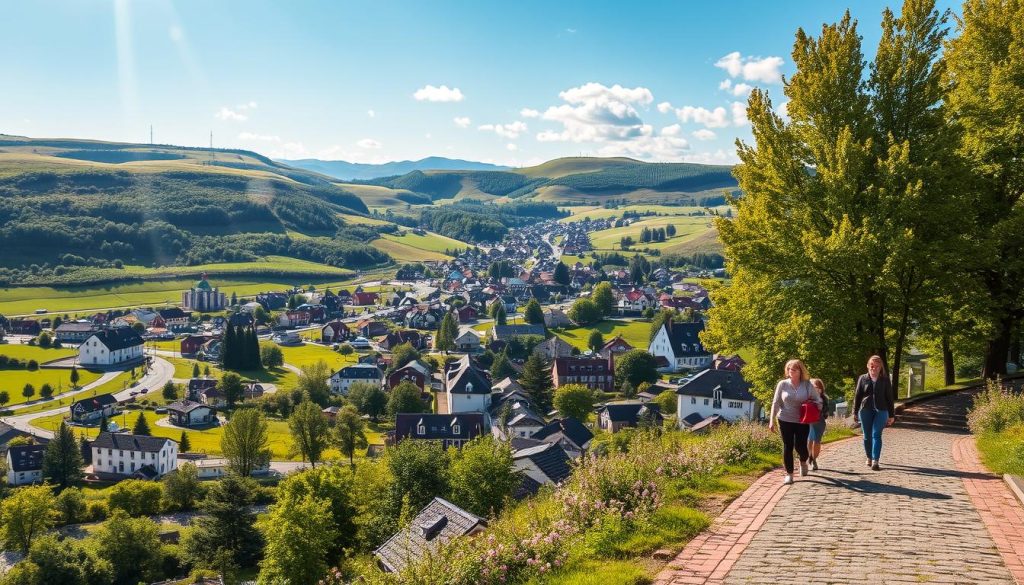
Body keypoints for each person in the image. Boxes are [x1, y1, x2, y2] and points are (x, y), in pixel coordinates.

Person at [769, 359, 823, 485]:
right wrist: (771, 420)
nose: (790, 371)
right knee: (788, 446)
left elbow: (818, 400)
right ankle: (789, 474)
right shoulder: (782, 384)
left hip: (802, 420)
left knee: (801, 446)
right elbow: (775, 402)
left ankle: (803, 460)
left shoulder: (807, 385)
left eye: (794, 369)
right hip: (784, 418)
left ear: (800, 371)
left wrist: (816, 408)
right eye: (789, 369)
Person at [853, 355, 895, 471]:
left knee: (876, 434)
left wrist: (891, 415)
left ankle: (876, 461)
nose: (874, 368)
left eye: (877, 366)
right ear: (868, 366)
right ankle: (869, 457)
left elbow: (889, 398)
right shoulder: (863, 378)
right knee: (867, 436)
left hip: (882, 410)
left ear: (880, 367)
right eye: (872, 366)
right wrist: (855, 412)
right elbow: (857, 396)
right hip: (866, 410)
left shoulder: (885, 380)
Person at [807, 378, 829, 470]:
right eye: (812, 387)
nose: (814, 389)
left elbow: (826, 413)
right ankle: (809, 458)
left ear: (820, 388)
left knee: (817, 441)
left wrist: (819, 404)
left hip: (819, 422)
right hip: (808, 422)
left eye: (816, 387)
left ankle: (813, 459)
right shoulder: (806, 397)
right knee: (809, 440)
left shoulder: (823, 398)